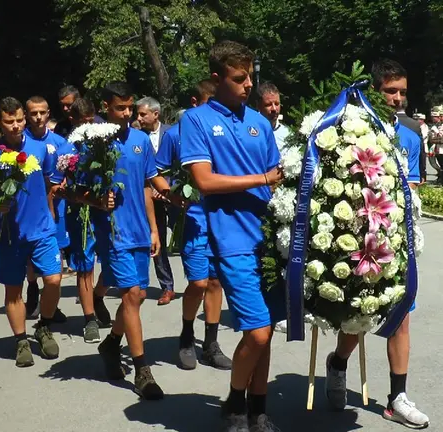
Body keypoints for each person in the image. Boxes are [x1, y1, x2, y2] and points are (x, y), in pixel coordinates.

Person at [180, 40, 285, 431]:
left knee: (266, 330)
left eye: (250, 77)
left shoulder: (260, 122)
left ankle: (258, 409)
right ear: (217, 78)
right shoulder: (196, 120)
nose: (248, 85)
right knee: (256, 332)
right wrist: (261, 179)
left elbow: (279, 179)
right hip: (231, 241)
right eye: (239, 78)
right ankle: (236, 401)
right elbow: (204, 181)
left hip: (269, 242)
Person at [325, 58, 429, 430]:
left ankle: (397, 397)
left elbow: (413, 186)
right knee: (361, 315)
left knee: (401, 316)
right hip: (359, 237)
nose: (398, 98)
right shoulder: (351, 130)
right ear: (374, 90)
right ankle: (338, 363)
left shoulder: (410, 135)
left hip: (396, 239)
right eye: (390, 91)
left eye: (402, 92)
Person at [87, 82, 163, 399]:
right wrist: (95, 200)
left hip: (139, 231)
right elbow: (72, 190)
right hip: (113, 232)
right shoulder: (93, 143)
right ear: (106, 107)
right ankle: (143, 371)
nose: (127, 113)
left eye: (130, 107)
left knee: (139, 295)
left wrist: (154, 228)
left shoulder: (141, 140)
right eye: (121, 108)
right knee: (131, 294)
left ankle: (111, 343)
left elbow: (147, 185)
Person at [0, 97, 63, 367]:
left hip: (42, 229)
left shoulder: (40, 148)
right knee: (14, 290)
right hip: (11, 234)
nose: (16, 125)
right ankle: (21, 340)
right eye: (9, 121)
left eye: (20, 120)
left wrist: (51, 211)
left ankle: (44, 326)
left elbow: (48, 183)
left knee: (53, 280)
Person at [150, 80, 233, 371]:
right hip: (193, 219)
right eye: (210, 103)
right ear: (195, 103)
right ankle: (187, 336)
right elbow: (155, 172)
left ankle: (211, 344)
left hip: (221, 217)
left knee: (216, 281)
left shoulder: (224, 131)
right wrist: (172, 195)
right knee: (198, 282)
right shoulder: (175, 134)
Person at [53, 98, 112, 343]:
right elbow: (56, 187)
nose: (88, 126)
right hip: (81, 213)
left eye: (91, 120)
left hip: (107, 211)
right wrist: (74, 193)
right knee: (85, 265)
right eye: (83, 122)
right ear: (73, 121)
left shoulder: (106, 143)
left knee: (113, 263)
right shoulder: (67, 149)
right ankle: (89, 319)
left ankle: (98, 295)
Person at [23, 96, 70, 323]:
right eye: (33, 113)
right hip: (29, 210)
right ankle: (32, 288)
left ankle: (51, 304)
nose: (38, 117)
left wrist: (65, 182)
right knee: (31, 257)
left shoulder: (59, 142)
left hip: (55, 208)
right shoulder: (21, 142)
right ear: (26, 115)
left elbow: (68, 171)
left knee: (55, 257)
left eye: (42, 112)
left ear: (48, 113)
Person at [136, 97, 175, 305]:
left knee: (185, 241)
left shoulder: (172, 133)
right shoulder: (136, 137)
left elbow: (182, 164)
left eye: (143, 114)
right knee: (156, 240)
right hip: (150, 197)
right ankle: (167, 287)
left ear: (156, 114)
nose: (139, 118)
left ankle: (197, 281)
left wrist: (170, 187)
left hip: (175, 195)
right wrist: (152, 190)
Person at [256, 82, 291, 151]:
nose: (274, 109)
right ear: (258, 106)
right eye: (268, 104)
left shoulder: (287, 134)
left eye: (277, 104)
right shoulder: (251, 131)